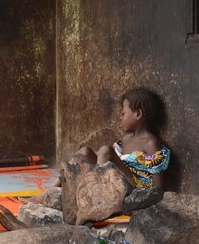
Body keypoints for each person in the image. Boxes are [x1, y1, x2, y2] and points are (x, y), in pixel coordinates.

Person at [25, 87, 171, 203]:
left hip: (136, 191)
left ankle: (94, 195)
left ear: (138, 114)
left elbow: (158, 188)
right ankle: (47, 193)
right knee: (85, 151)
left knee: (105, 150)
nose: (120, 118)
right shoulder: (125, 140)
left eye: (123, 113)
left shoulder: (151, 142)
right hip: (118, 182)